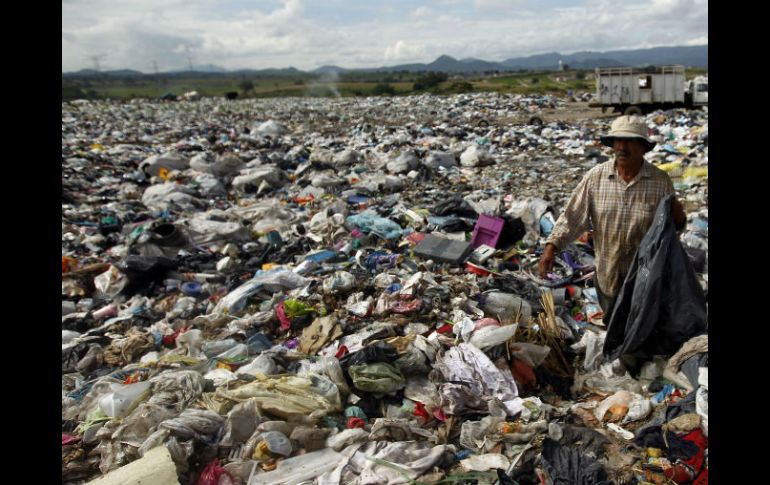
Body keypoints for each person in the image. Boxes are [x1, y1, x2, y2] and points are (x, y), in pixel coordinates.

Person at [538, 115, 685, 319]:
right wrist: (551, 248)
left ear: (643, 147)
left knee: (640, 333)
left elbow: (673, 228)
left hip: (645, 278)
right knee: (614, 329)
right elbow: (572, 217)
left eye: (630, 141)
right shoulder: (596, 177)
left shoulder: (660, 181)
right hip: (608, 276)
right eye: (618, 141)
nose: (622, 147)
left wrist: (679, 216)